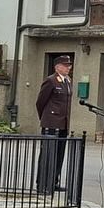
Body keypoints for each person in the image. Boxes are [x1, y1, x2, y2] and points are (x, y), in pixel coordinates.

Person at [35, 55, 73, 194]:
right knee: (47, 154)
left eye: (69, 65)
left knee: (59, 154)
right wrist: (46, 118)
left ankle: (53, 181)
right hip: (51, 123)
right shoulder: (50, 80)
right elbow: (40, 102)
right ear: (57, 67)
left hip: (63, 123)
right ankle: (42, 183)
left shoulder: (68, 81)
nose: (68, 68)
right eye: (65, 65)